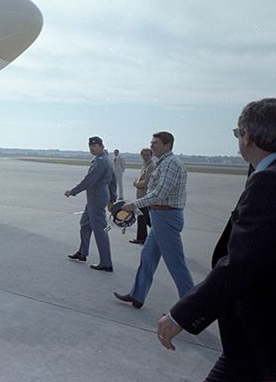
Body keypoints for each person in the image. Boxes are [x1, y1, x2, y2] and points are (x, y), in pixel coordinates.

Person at [155, 99, 276, 381]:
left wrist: (180, 316)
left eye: (238, 133)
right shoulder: (263, 174)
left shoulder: (268, 182)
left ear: (247, 137)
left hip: (260, 334)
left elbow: (240, 264)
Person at [114, 131, 194, 308]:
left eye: (155, 143)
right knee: (147, 256)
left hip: (166, 217)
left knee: (176, 265)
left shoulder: (171, 164)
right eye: (151, 143)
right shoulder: (162, 163)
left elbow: (159, 194)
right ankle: (138, 295)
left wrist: (133, 205)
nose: (152, 146)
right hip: (159, 217)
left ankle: (191, 308)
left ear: (167, 145)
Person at [64, 136, 117, 271]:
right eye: (90, 146)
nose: (92, 148)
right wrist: (112, 199)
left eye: (94, 146)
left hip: (97, 197)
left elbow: (89, 180)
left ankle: (106, 262)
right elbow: (113, 181)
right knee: (85, 224)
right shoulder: (107, 159)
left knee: (100, 230)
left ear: (101, 146)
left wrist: (73, 191)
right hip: (97, 197)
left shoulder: (101, 161)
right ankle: (83, 252)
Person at [129, 148, 155, 245]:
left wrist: (136, 184)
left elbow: (147, 182)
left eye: (148, 155)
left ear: (151, 155)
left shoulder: (151, 166)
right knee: (146, 218)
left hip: (145, 196)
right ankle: (155, 235)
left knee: (142, 217)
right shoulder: (145, 165)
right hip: (141, 195)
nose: (146, 157)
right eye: (144, 155)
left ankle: (142, 238)